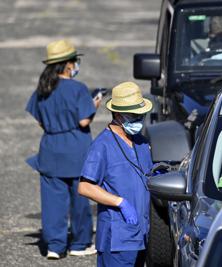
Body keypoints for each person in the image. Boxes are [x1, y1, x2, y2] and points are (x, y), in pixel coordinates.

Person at [25, 39, 101, 259]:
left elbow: (39, 121)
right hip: (75, 147)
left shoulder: (42, 89)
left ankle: (55, 246)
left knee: (52, 202)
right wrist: (93, 104)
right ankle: (79, 243)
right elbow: (84, 122)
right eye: (75, 61)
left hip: (50, 148)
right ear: (68, 64)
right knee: (80, 199)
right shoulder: (77, 88)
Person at [78, 81, 153, 267]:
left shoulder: (142, 142)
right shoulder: (102, 146)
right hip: (117, 238)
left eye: (141, 115)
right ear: (119, 115)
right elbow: (85, 186)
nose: (140, 119)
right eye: (135, 115)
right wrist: (120, 202)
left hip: (142, 235)